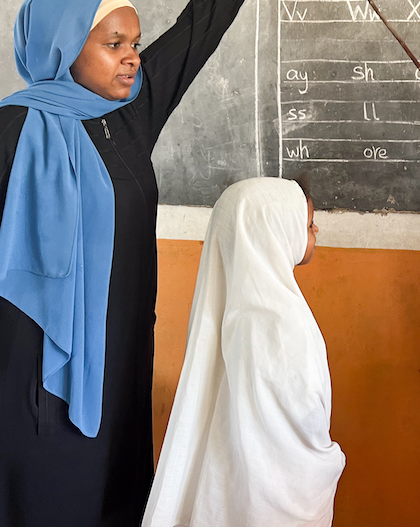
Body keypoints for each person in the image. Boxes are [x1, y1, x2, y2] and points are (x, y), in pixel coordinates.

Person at [0, 0, 293, 526]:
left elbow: (189, 42)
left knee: (110, 501)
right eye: (113, 43)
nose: (132, 56)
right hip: (30, 378)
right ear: (64, 46)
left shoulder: (126, 117)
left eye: (135, 43)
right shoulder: (9, 131)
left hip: (116, 367)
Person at [142, 177, 345, 527]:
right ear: (274, 230)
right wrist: (325, 455)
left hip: (230, 478)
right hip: (278, 493)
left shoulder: (230, 310)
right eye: (308, 223)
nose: (316, 230)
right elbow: (305, 405)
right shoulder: (279, 317)